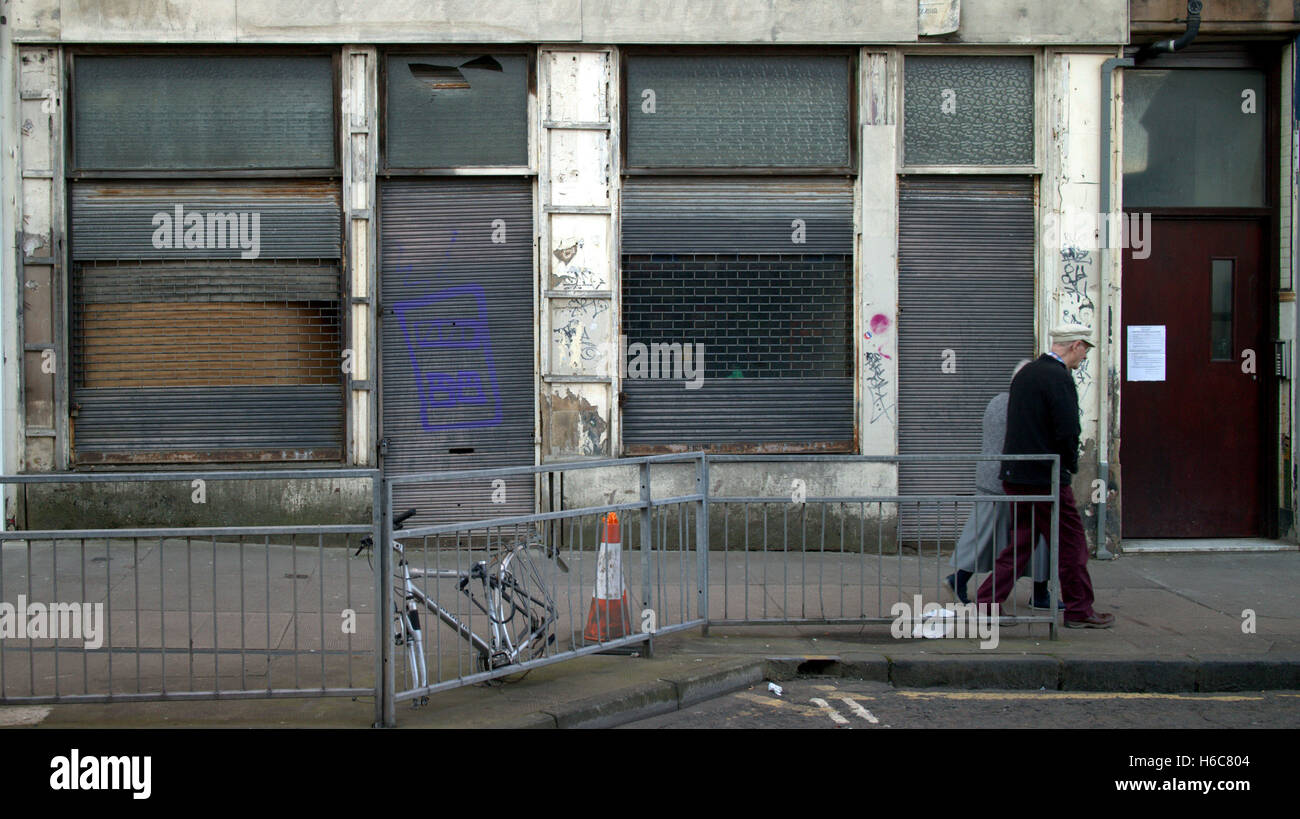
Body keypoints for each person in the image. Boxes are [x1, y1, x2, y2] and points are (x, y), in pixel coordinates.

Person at [974, 323, 1115, 628]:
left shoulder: (1027, 373)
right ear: (1075, 345)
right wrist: (1069, 467)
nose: (1084, 357)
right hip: (1045, 476)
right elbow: (1067, 430)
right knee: (1072, 543)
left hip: (1017, 474)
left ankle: (987, 602)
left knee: (1021, 542)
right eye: (1085, 350)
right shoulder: (1059, 377)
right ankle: (1079, 609)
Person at [945, 360, 1058, 609]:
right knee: (1000, 536)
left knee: (997, 536)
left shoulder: (997, 401)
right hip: (1010, 480)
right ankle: (1038, 593)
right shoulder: (1022, 407)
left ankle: (1039, 592)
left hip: (995, 478)